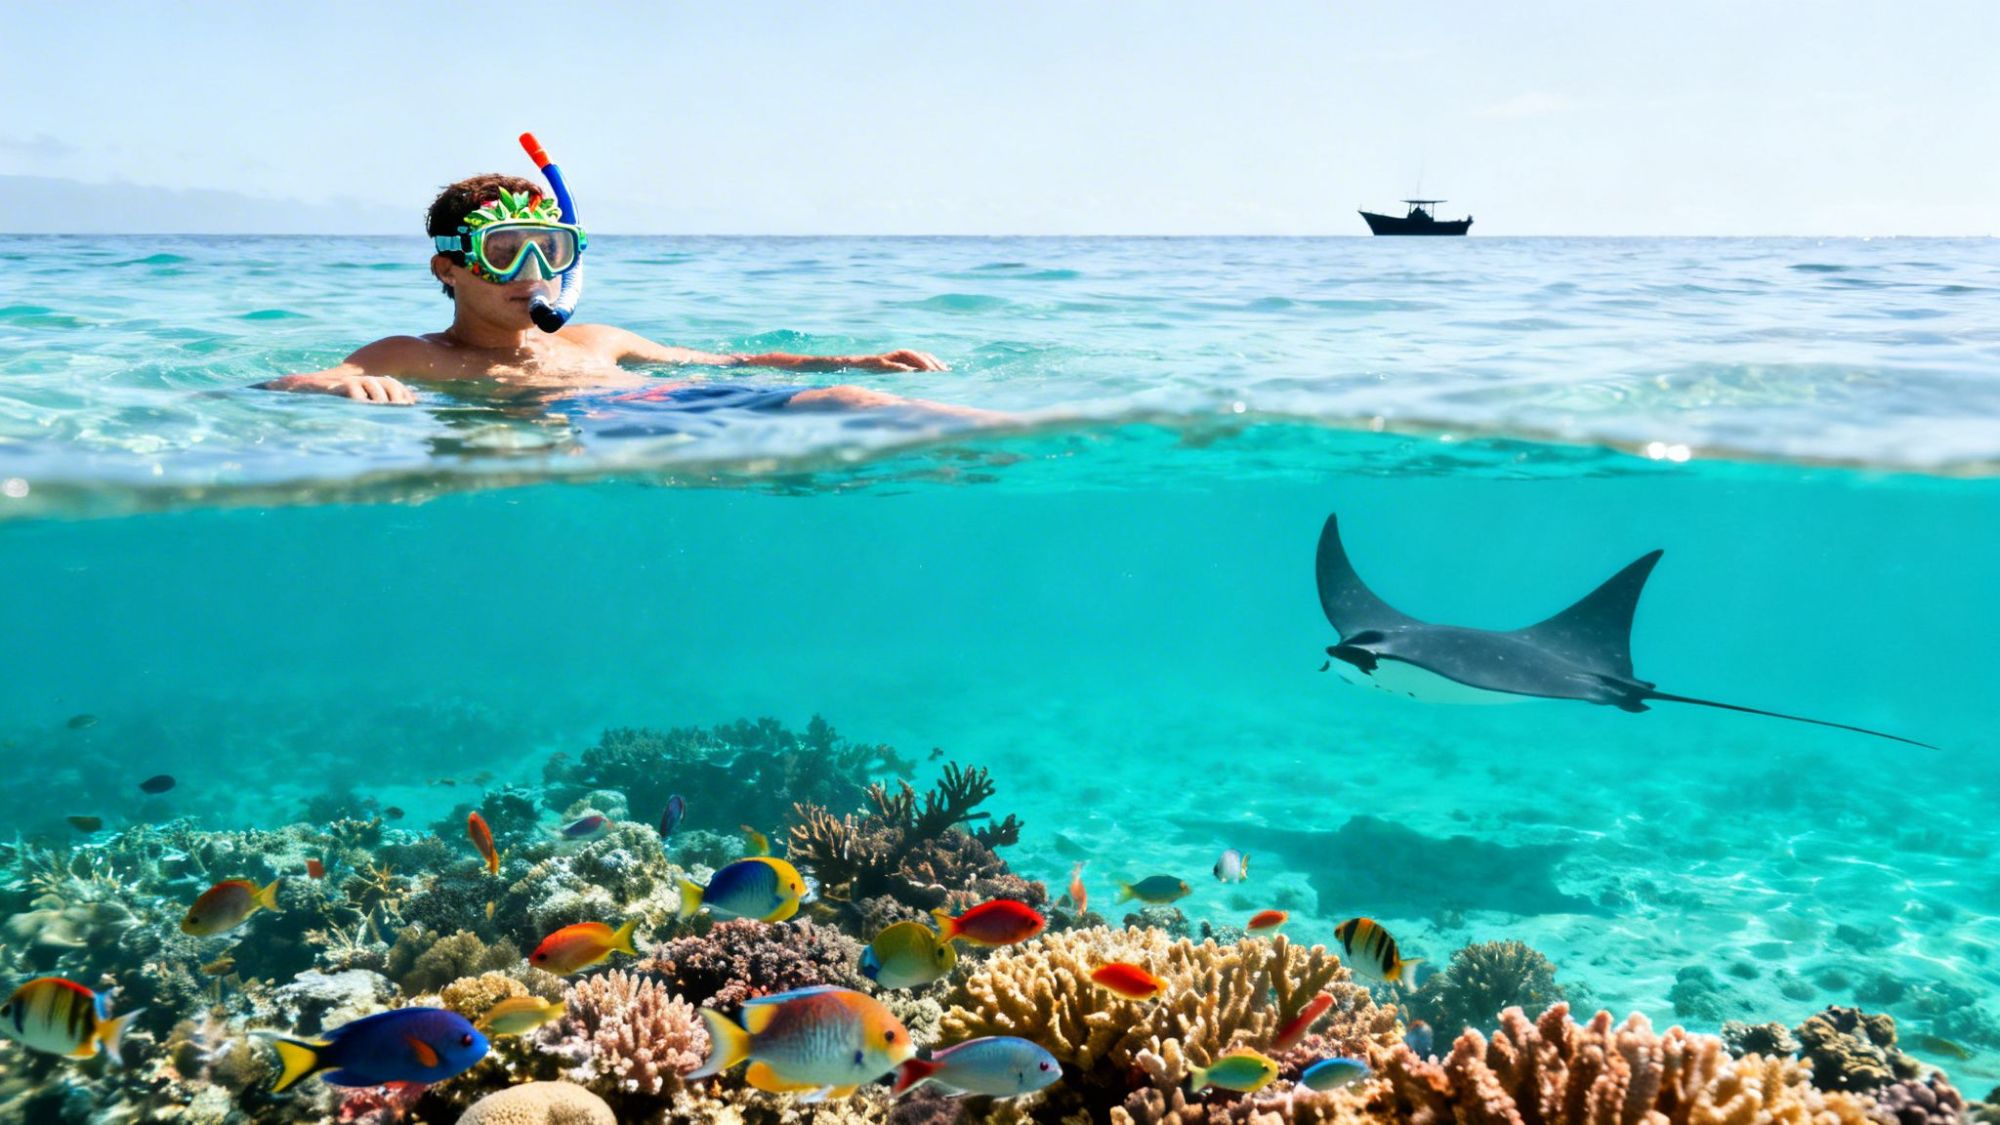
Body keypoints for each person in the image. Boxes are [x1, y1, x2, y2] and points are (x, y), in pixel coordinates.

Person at [257, 173, 983, 419]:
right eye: (505, 253)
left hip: (681, 412)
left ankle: (986, 436)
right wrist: (344, 388)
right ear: (449, 268)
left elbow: (730, 360)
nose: (531, 272)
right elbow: (291, 382)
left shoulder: (595, 339)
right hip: (588, 441)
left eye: (551, 251)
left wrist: (854, 360)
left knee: (859, 407)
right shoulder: (416, 355)